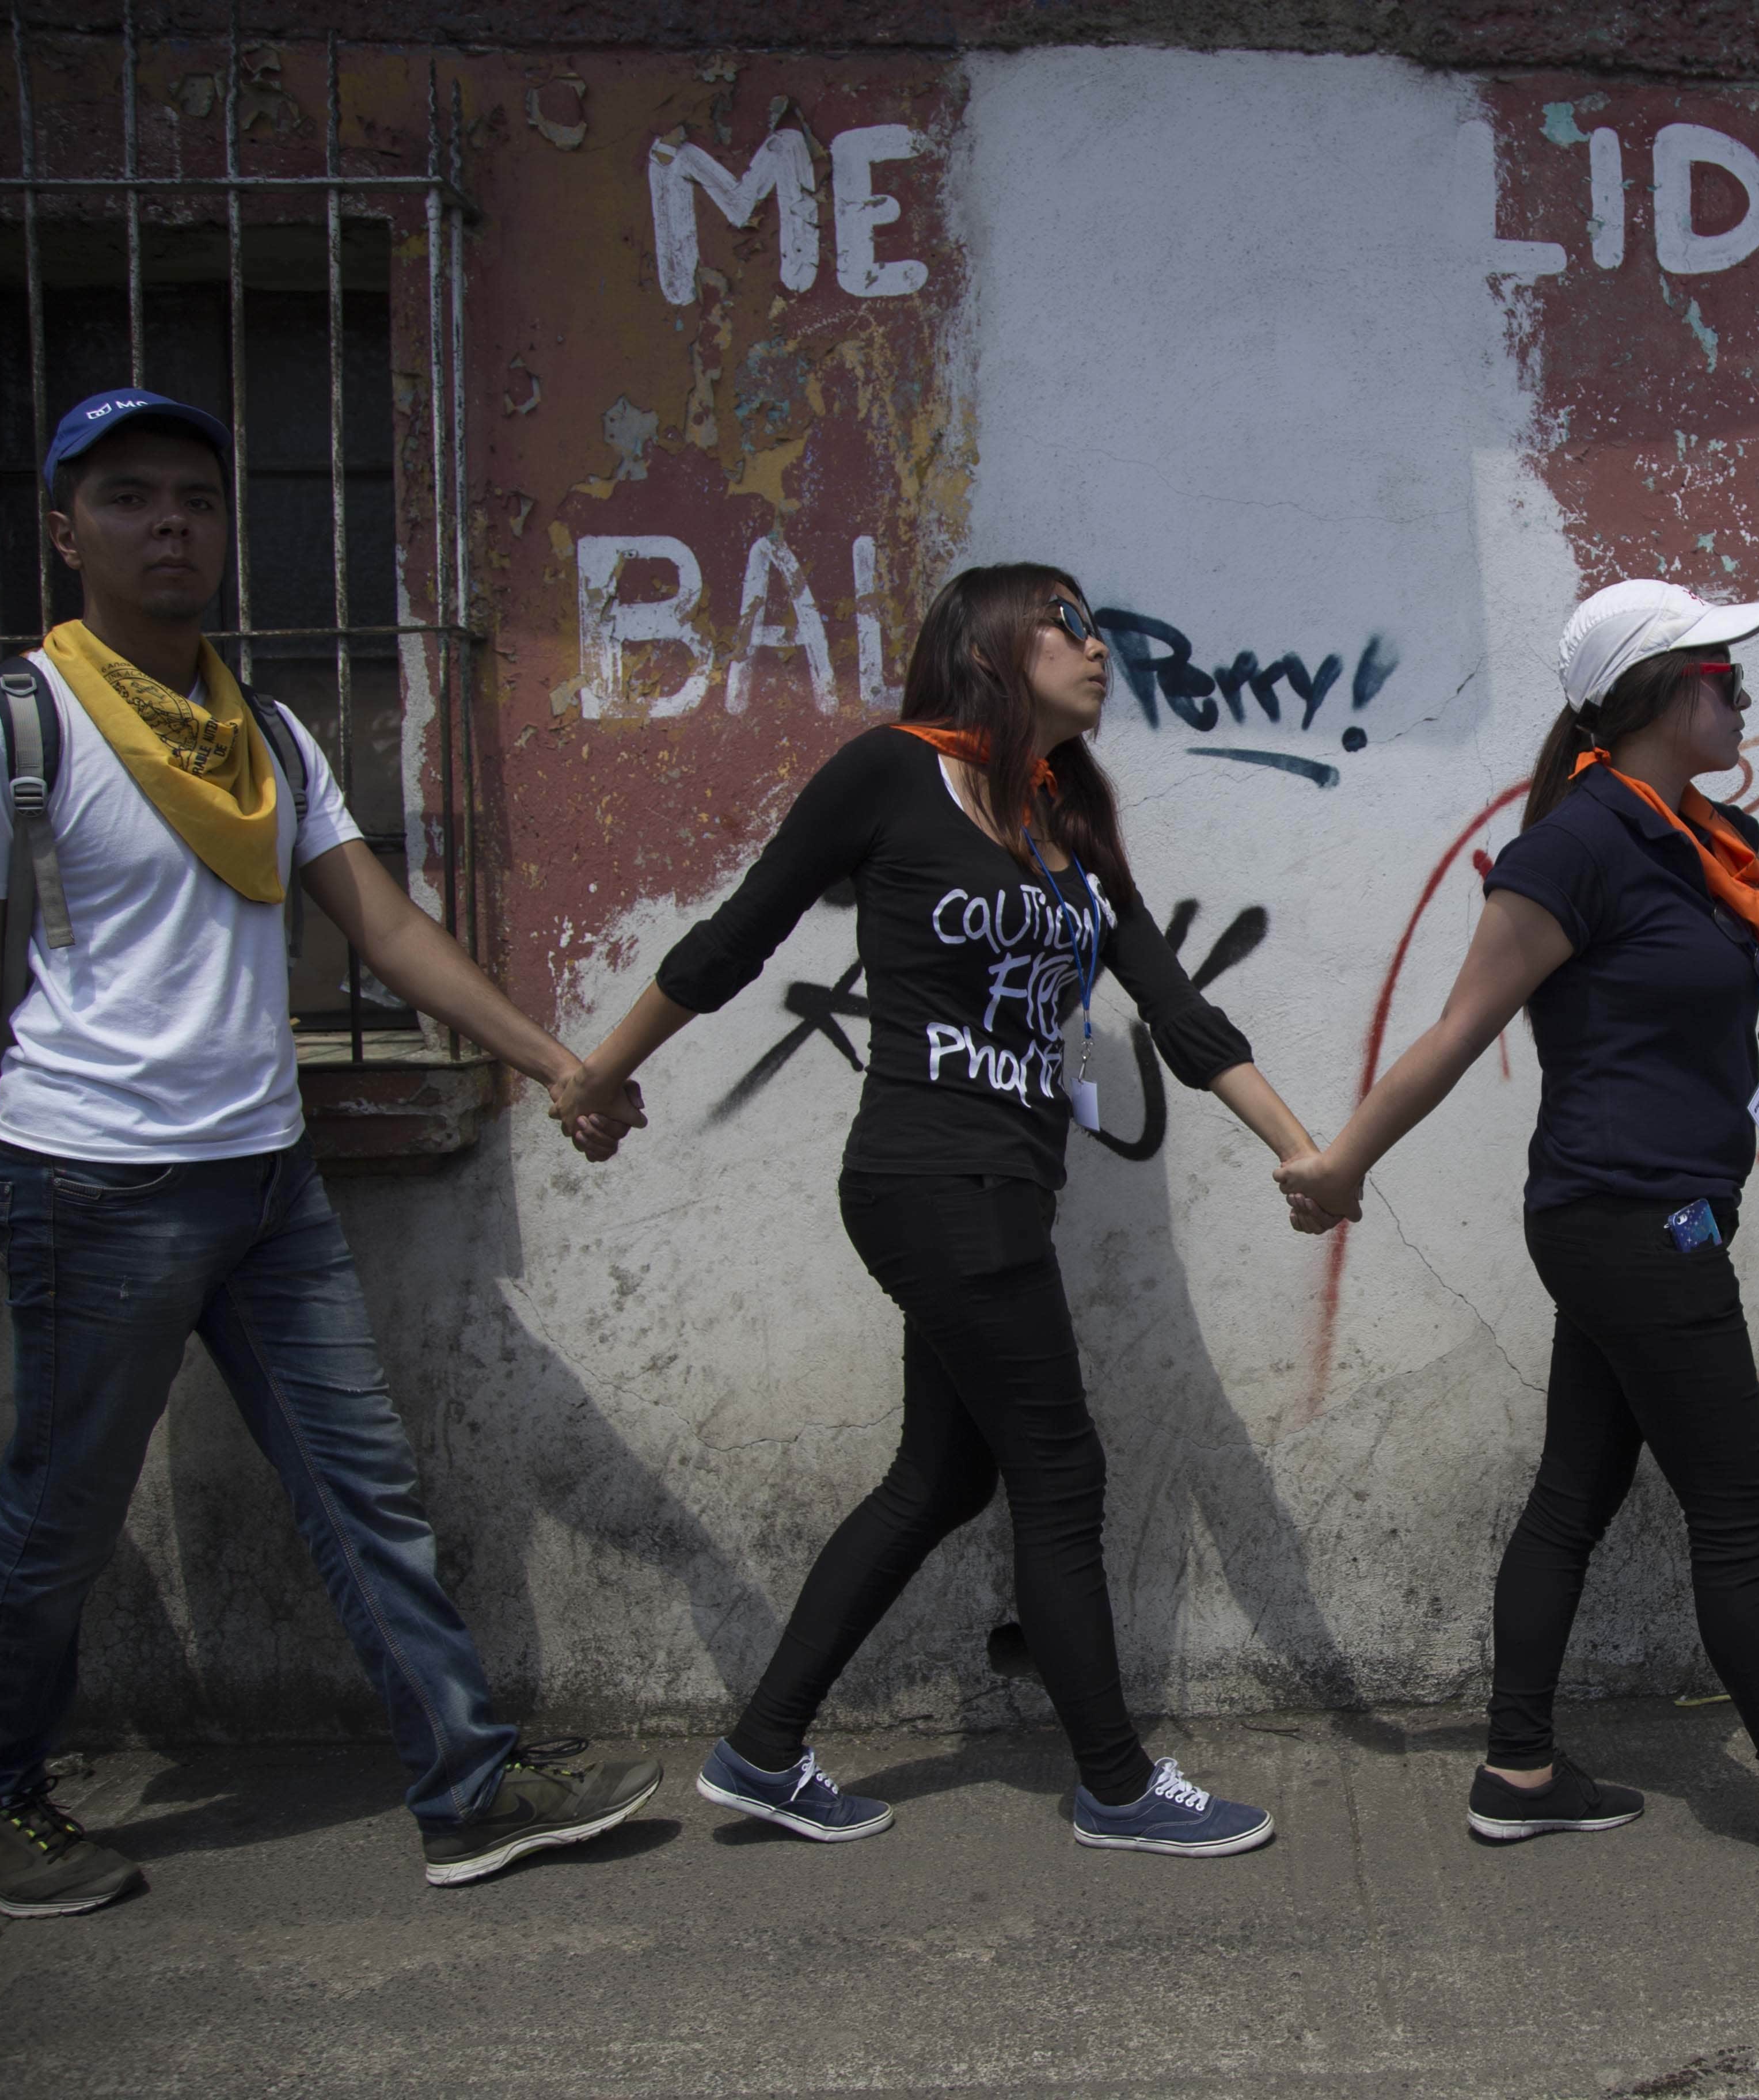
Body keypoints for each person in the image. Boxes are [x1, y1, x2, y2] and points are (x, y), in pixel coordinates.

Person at [0, 389, 662, 1916]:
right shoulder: (1, 732)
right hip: (86, 1182)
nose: (171, 524)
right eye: (129, 500)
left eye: (195, 497)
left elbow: (377, 920)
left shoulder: (259, 732)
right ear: (64, 533)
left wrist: (556, 1062)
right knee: (61, 1502)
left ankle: (469, 1788)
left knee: (361, 1486)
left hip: (263, 1178)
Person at [555, 562, 1332, 1861]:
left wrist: (1305, 1153)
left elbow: (1177, 1007)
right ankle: (1116, 1784)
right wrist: (602, 1070)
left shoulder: (1065, 816)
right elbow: (737, 936)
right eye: (1066, 627)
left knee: (942, 1473)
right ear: (986, 648)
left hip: (1000, 1192)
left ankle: (762, 1751)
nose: (1098, 648)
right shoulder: (887, 774)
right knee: (1060, 1467)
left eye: (1097, 628)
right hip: (930, 1177)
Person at [1275, 580, 1759, 1870]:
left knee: (1575, 1492)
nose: (1745, 691)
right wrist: (1341, 1165)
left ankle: (1520, 1768)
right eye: (1724, 670)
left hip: (1644, 1216)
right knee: (1738, 1516)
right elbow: (1458, 1029)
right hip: (1630, 1221)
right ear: (1656, 693)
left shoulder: (1715, 840)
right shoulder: (1576, 849)